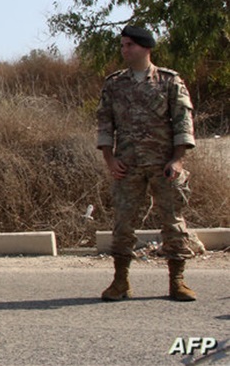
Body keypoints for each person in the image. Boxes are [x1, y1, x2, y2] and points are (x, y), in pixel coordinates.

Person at [96, 25, 198, 303]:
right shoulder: (115, 84)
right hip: (127, 165)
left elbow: (183, 123)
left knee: (172, 222)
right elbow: (105, 124)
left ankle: (177, 281)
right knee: (122, 224)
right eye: (122, 45)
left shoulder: (169, 81)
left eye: (129, 45)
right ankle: (120, 281)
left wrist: (178, 160)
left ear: (145, 47)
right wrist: (110, 158)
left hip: (163, 165)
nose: (124, 50)